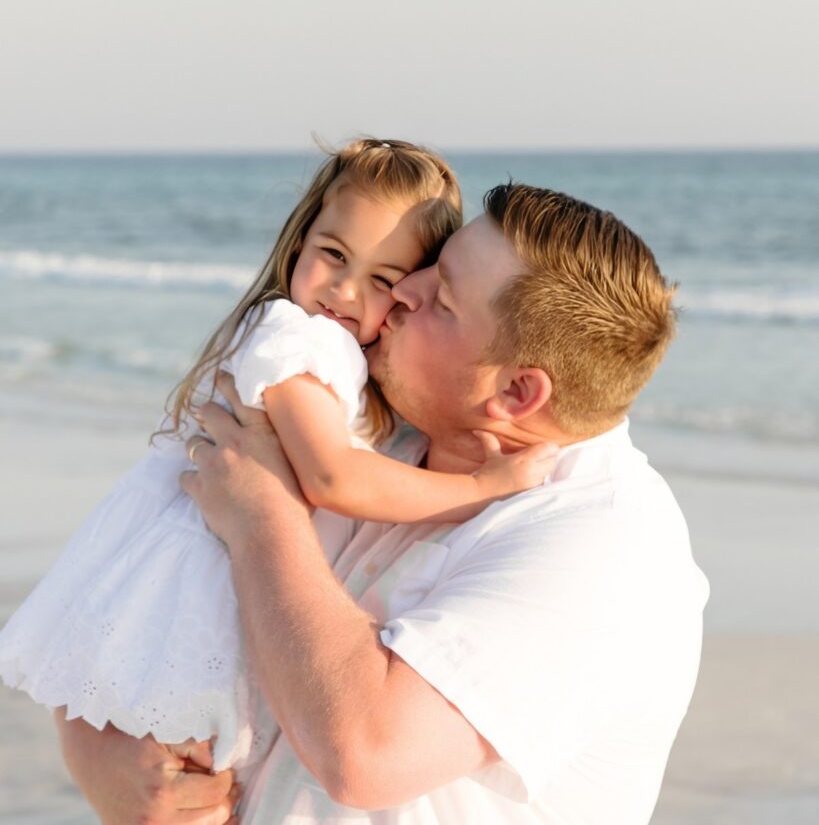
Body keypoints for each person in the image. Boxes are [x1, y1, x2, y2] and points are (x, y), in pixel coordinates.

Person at [57, 182, 709, 825]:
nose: (401, 290)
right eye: (430, 267)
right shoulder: (368, 443)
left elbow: (365, 754)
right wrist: (105, 763)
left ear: (515, 394)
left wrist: (263, 517)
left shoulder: (604, 549)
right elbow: (142, 604)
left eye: (441, 299)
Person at [0, 140, 553, 781]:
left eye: (381, 278)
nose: (345, 291)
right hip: (200, 570)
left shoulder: (347, 355)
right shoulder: (297, 336)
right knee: (190, 757)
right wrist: (484, 486)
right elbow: (332, 476)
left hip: (234, 558)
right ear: (300, 240)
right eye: (334, 255)